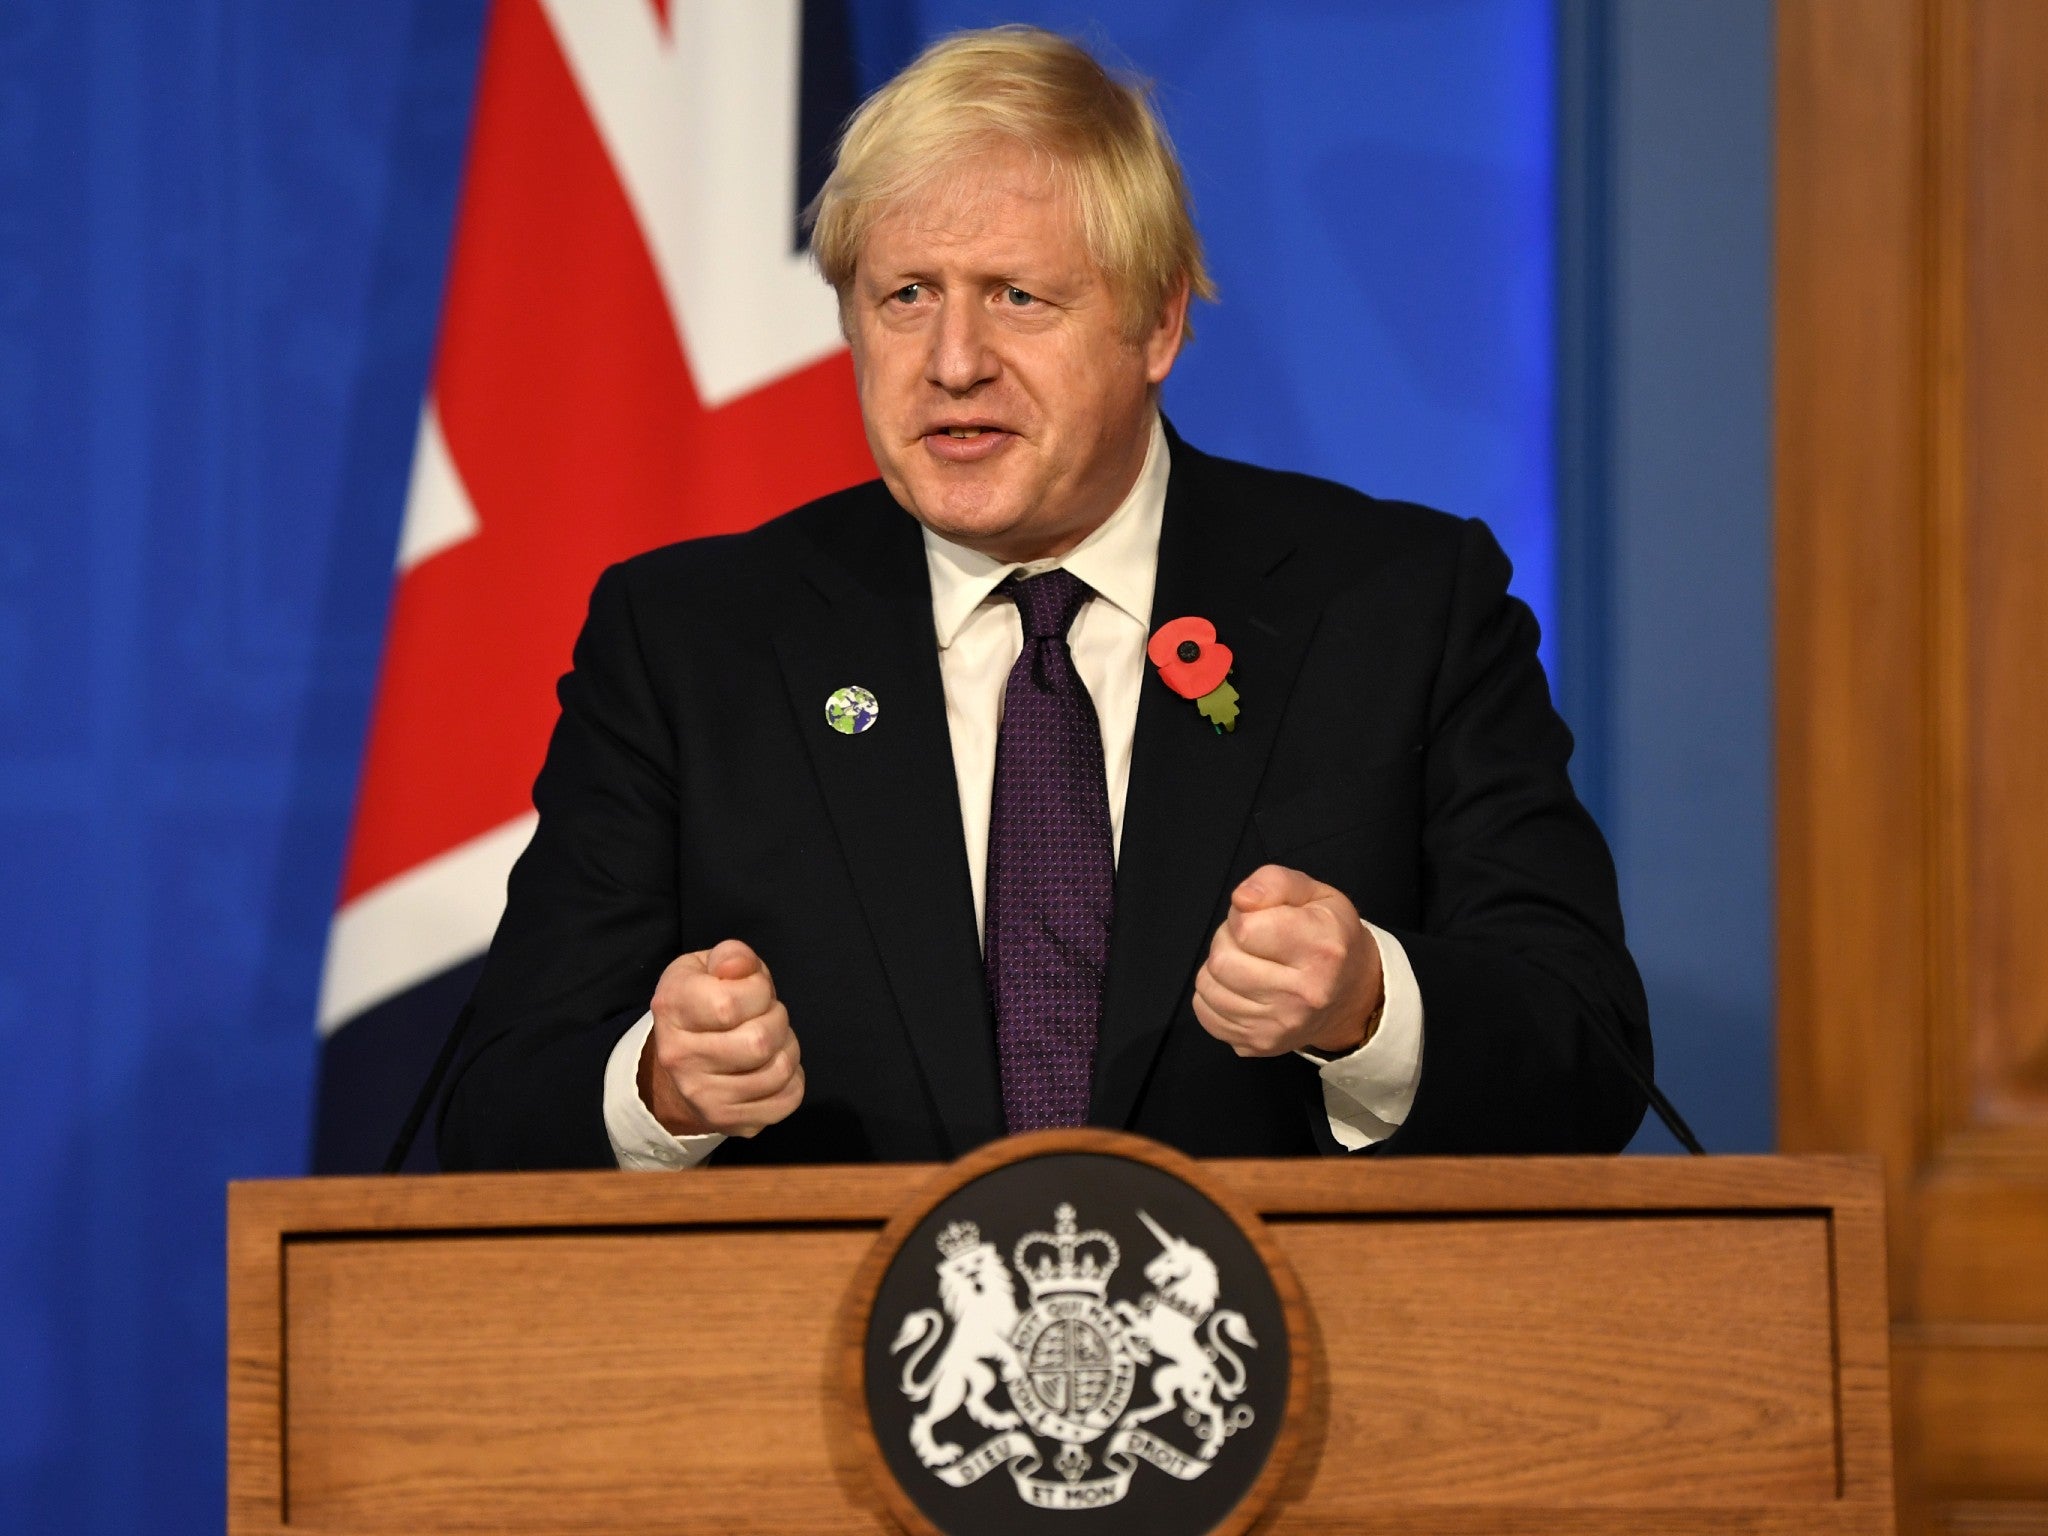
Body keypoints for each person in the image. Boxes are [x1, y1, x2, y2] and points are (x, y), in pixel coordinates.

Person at [436, 26, 1649, 1172]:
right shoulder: (693, 645)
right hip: (826, 1365)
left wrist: (1368, 1008)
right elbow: (495, 1105)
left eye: (1017, 295)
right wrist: (659, 1087)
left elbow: (1587, 1054)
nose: (952, 360)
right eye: (903, 295)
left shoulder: (1395, 608)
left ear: (1157, 319)